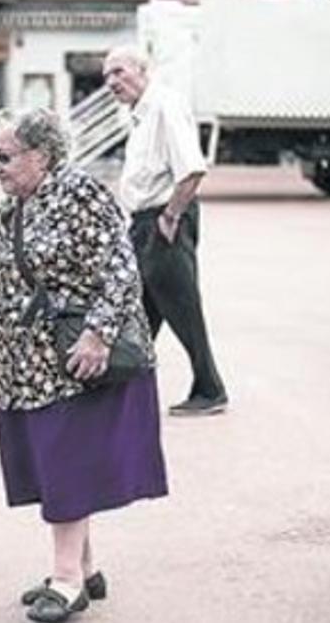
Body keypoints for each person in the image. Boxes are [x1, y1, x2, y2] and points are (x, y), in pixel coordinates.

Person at [0, 107, 168, 623]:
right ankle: (84, 567)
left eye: (4, 157)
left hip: (70, 362)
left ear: (42, 155)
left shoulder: (80, 194)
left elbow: (121, 270)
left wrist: (99, 335)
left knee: (66, 468)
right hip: (24, 368)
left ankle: (68, 580)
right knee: (58, 470)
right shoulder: (14, 207)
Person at [101, 45, 228, 416]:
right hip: (143, 221)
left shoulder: (164, 105)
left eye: (119, 72)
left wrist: (170, 217)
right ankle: (126, 385)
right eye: (107, 76)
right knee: (141, 307)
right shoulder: (140, 114)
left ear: (143, 70)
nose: (111, 82)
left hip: (164, 217)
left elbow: (192, 168)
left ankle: (210, 388)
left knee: (182, 306)